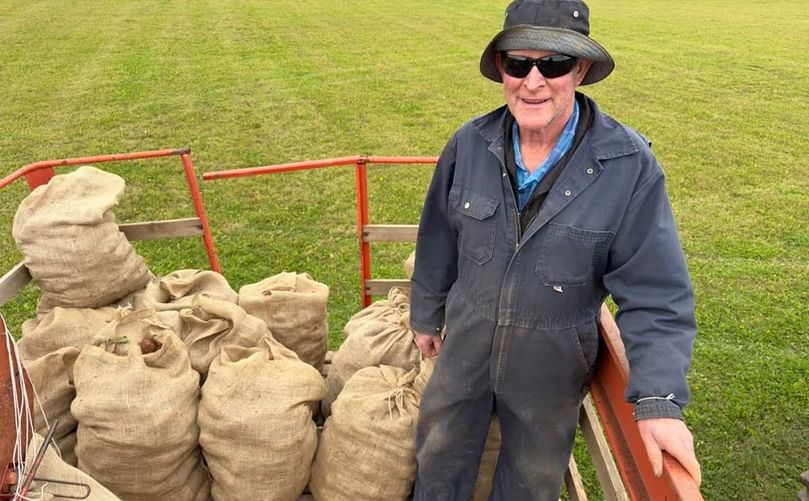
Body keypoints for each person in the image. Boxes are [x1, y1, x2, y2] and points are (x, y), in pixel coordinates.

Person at [409, 0, 701, 499]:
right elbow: (437, 234)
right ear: (502, 68)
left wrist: (658, 402)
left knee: (531, 482)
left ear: (580, 70)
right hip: (465, 346)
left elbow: (657, 295)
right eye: (518, 63)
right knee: (437, 459)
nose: (534, 81)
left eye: (555, 64)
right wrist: (424, 313)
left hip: (551, 369)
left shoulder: (629, 168)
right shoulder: (469, 143)